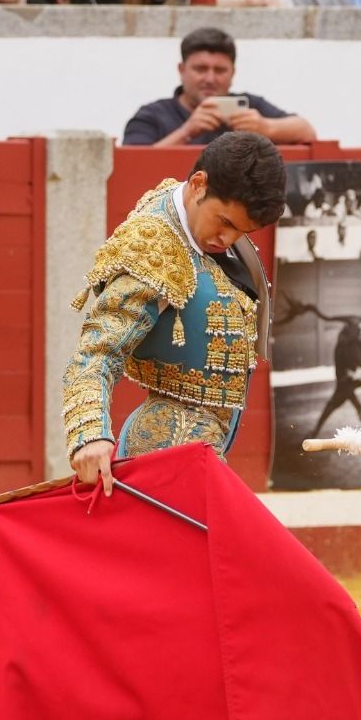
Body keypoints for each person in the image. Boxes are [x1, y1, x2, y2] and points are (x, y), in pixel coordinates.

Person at [62, 131, 281, 496]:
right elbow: (96, 352)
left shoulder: (193, 220)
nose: (227, 240)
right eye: (225, 222)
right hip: (165, 457)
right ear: (198, 185)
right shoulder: (155, 248)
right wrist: (89, 434)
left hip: (198, 453)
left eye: (242, 231)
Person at [123, 26, 316, 147]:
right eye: (200, 69)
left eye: (220, 70)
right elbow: (131, 163)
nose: (210, 78)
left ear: (233, 73)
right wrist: (186, 132)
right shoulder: (152, 115)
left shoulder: (249, 106)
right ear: (181, 70)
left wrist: (265, 127)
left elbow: (307, 131)